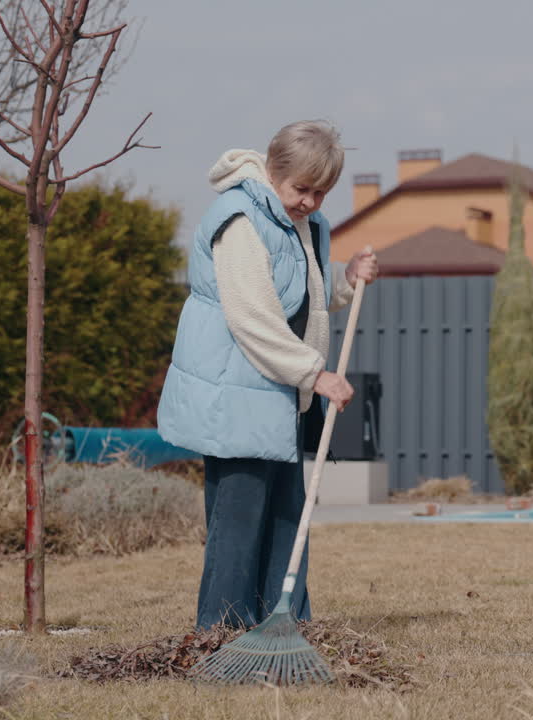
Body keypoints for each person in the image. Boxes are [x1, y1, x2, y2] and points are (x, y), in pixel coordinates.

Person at [157, 120, 379, 629]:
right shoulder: (238, 219)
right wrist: (314, 374)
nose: (310, 202)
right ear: (273, 171)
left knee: (285, 517)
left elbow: (304, 297)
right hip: (235, 391)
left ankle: (283, 628)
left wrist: (344, 281)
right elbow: (252, 317)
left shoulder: (307, 224)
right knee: (237, 522)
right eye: (302, 188)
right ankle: (220, 636)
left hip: (280, 394)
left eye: (321, 192)